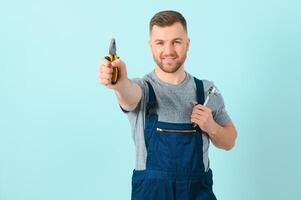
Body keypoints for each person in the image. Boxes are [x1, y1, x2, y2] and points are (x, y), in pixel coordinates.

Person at [99, 10, 237, 200]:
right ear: (150, 46)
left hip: (197, 192)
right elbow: (129, 95)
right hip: (151, 192)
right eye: (160, 43)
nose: (169, 51)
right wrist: (120, 84)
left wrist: (211, 126)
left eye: (176, 42)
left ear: (187, 44)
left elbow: (230, 141)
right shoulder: (143, 88)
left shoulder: (206, 90)